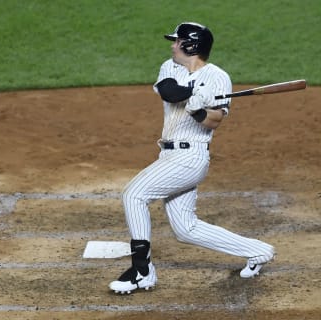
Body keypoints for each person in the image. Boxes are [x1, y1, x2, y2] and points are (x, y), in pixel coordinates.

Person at [109, 22, 275, 294]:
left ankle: (142, 271)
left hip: (190, 158)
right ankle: (258, 250)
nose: (173, 46)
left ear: (191, 45)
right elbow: (168, 91)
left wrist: (199, 110)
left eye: (177, 41)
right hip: (169, 155)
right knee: (185, 229)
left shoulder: (219, 78)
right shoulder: (170, 67)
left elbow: (214, 121)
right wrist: (194, 95)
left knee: (133, 194)